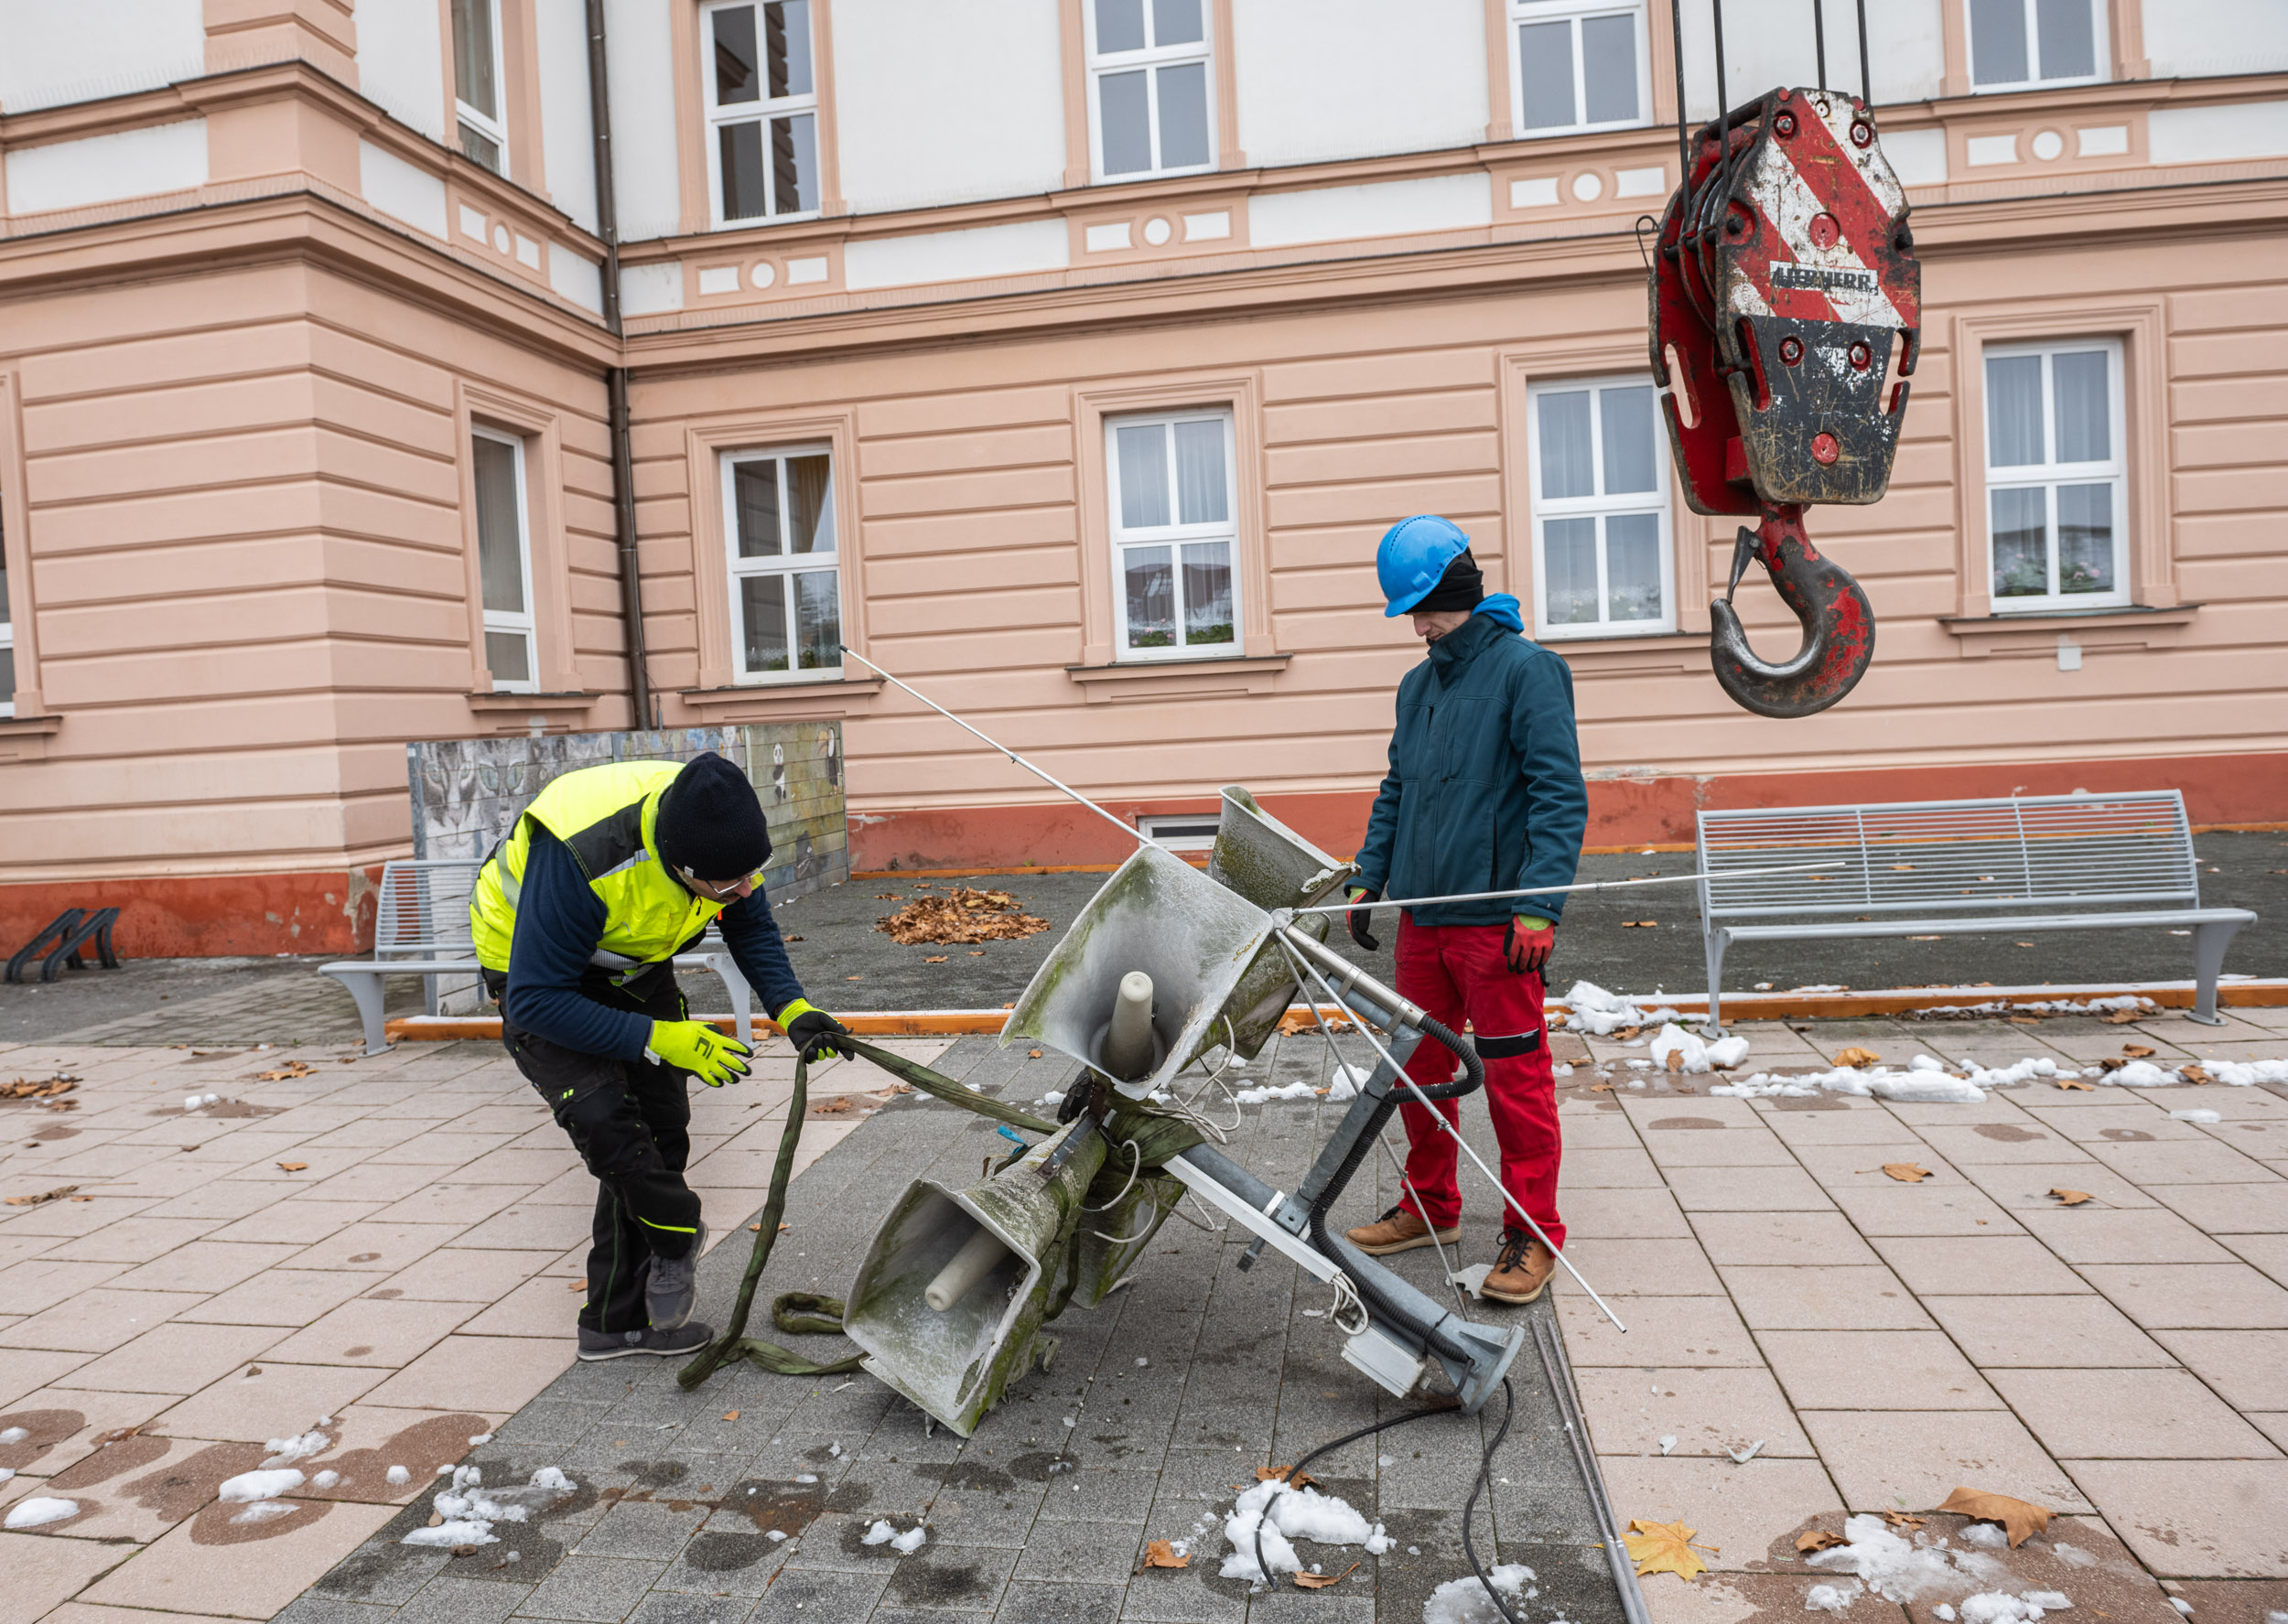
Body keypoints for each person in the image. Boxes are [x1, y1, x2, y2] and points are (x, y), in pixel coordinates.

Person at [469, 751, 854, 1361]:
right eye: (730, 883)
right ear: (680, 864)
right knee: (604, 1120)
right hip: (536, 973)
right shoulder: (583, 853)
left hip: (632, 963)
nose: (746, 888)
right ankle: (677, 1231)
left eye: (756, 873)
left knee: (661, 1127)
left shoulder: (715, 826)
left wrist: (793, 1011)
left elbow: (748, 926)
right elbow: (537, 999)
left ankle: (612, 1323)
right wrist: (660, 1038)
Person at [1343, 515, 1588, 1305]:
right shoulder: (1418, 686)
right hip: (1426, 917)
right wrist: (1368, 877)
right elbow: (1397, 790)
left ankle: (1532, 1233)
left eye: (1427, 608)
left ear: (1459, 593)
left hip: (1497, 925)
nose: (1419, 626)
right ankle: (1431, 1206)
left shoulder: (1528, 672)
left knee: (1517, 1078)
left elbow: (1558, 795)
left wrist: (1540, 905)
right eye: (1412, 613)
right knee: (1416, 1070)